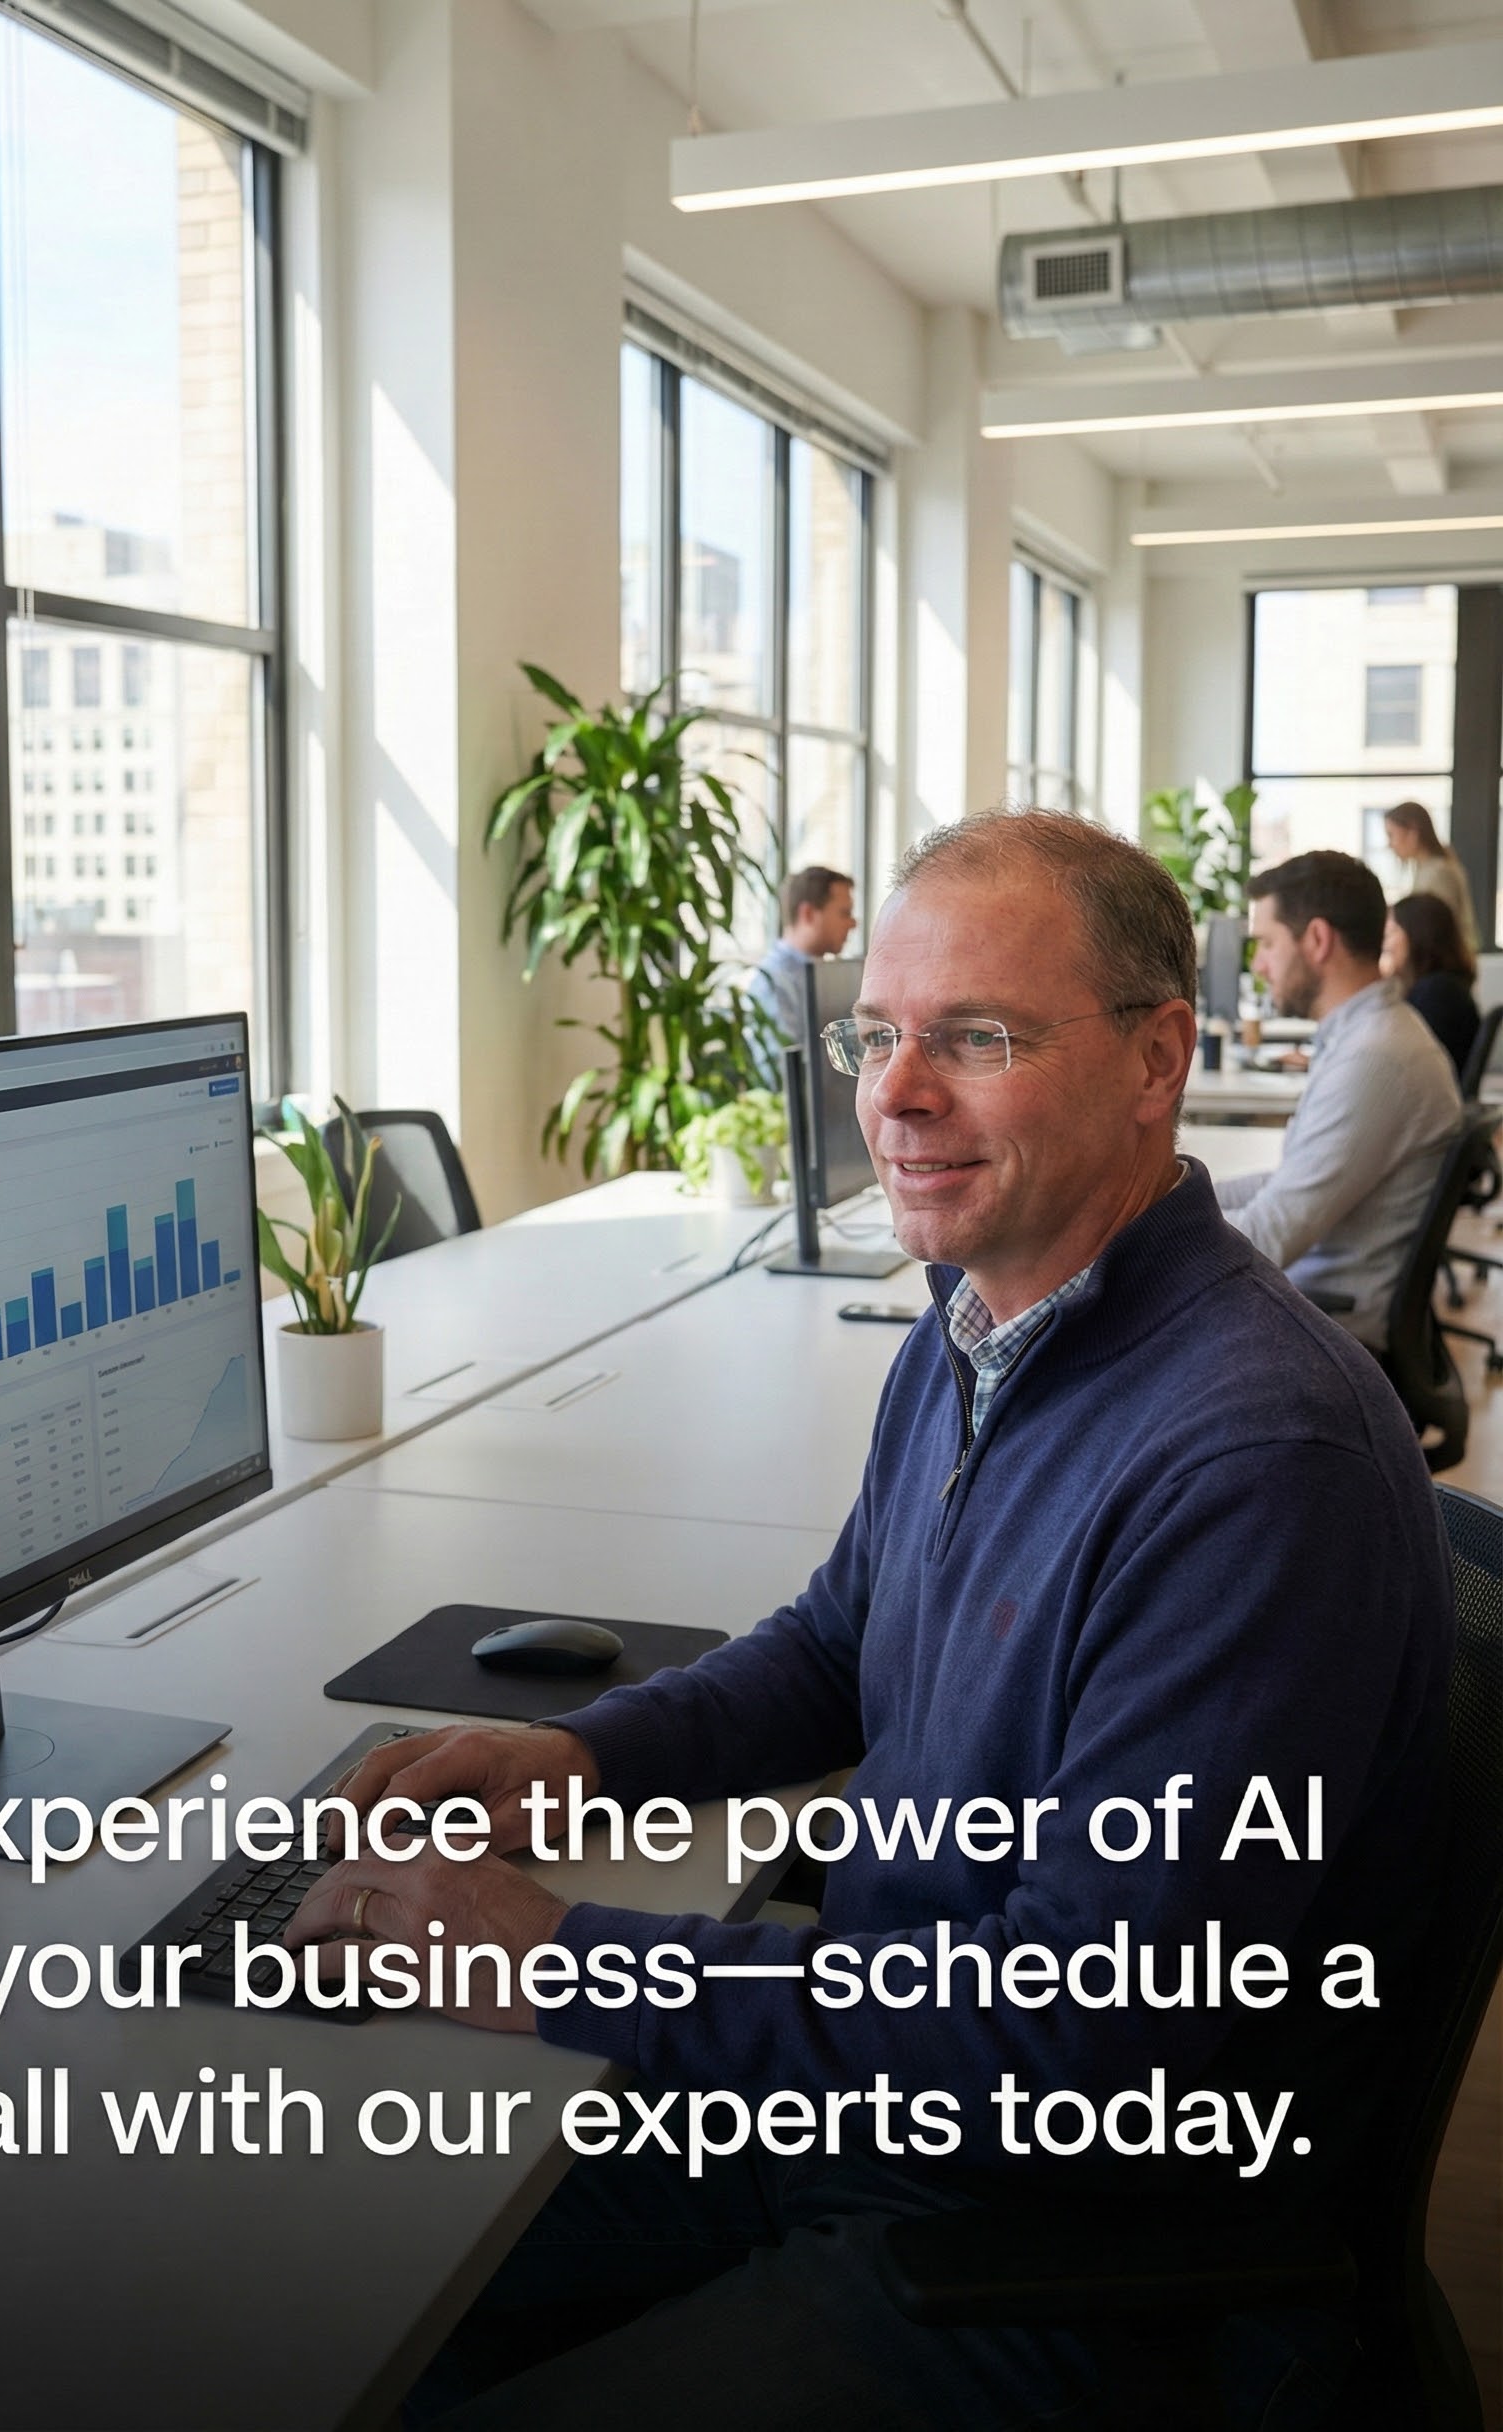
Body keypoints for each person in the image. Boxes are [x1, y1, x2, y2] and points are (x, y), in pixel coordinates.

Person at [288, 812, 1452, 2431]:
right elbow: (846, 1640)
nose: (897, 1093)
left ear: (1156, 1058)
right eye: (878, 1035)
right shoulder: (980, 1320)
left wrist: (562, 1956)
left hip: (1057, 2223)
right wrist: (581, 1756)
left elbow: (1067, 2043)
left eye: (977, 1038)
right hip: (886, 2084)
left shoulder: (1255, 1463)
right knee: (316, 2256)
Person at [1216, 850, 1462, 1349]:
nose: (1259, 964)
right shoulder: (1367, 1037)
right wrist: (1174, 1197)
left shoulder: (1375, 1058)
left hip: (1321, 1332)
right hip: (1307, 1304)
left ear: (1317, 940)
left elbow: (1269, 1237)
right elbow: (1287, 1184)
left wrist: (1144, 1232)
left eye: (1267, 943)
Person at [744, 865, 856, 1078]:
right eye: (845, 913)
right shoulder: (774, 981)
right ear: (808, 914)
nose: (853, 923)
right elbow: (782, 1075)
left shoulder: (826, 975)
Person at [1382, 891, 1481, 1079]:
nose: (1385, 943)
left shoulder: (1437, 993)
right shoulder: (1443, 986)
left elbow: (1400, 1057)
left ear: (1416, 935)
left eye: (1392, 932)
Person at [1384, 800, 1479, 955]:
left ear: (1412, 832)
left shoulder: (1440, 872)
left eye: (1391, 835)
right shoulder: (1424, 869)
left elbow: (1437, 932)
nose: (1389, 844)